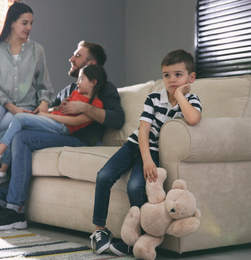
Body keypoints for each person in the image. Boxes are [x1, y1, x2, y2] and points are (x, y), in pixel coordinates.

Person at [0, 41, 125, 230]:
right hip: (58, 131)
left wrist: (84, 107)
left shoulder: (105, 88)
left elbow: (117, 119)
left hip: (80, 139)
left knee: (21, 138)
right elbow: (52, 109)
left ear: (91, 64)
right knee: (3, 134)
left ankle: (15, 211)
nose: (71, 59)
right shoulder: (71, 89)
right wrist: (49, 107)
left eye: (77, 56)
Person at [90, 49, 202, 255]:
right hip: (135, 145)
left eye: (178, 75)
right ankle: (99, 230)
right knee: (104, 176)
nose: (171, 80)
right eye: (167, 75)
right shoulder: (153, 98)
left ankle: (136, 239)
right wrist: (147, 159)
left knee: (135, 187)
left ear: (191, 77)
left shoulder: (191, 100)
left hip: (155, 151)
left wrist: (179, 95)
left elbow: (194, 119)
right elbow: (143, 131)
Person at [0, 2, 53, 211]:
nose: (29, 27)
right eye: (24, 22)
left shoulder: (37, 50)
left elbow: (45, 85)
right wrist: (10, 106)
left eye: (31, 23)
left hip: (26, 106)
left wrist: (43, 103)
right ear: (12, 23)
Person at [0, 65, 106, 179]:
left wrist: (48, 117)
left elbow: (75, 121)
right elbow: (59, 109)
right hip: (52, 121)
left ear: (93, 82)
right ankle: (0, 174)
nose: (77, 82)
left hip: (62, 128)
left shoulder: (96, 105)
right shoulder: (75, 94)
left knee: (19, 118)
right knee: (17, 126)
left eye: (81, 79)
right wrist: (51, 110)